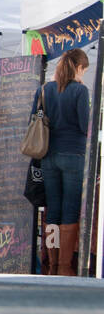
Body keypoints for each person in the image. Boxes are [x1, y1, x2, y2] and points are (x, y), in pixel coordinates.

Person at [36, 48, 91, 275]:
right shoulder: (80, 90)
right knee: (70, 210)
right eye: (84, 70)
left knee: (53, 211)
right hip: (74, 155)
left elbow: (36, 116)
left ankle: (51, 262)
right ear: (78, 68)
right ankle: (64, 266)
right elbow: (84, 124)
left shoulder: (45, 89)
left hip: (48, 155)